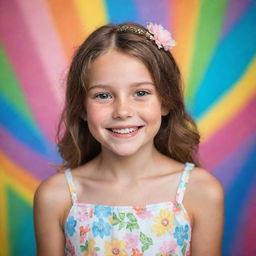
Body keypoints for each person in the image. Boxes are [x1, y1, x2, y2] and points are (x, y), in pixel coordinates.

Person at [33, 21, 224, 256]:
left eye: (141, 93)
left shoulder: (201, 191)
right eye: (103, 95)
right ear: (81, 107)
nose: (122, 111)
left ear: (166, 101)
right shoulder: (55, 197)